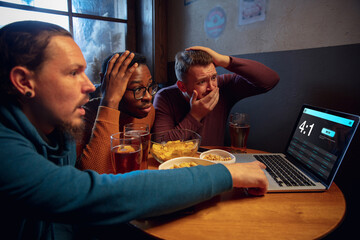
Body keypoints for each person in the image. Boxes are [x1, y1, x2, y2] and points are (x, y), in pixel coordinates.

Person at [0, 21, 268, 239]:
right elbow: (90, 192)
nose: (89, 86)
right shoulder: (6, 151)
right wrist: (224, 173)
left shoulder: (55, 126)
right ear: (24, 82)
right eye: (73, 73)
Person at [152, 46, 280, 146]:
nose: (212, 87)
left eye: (213, 77)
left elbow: (270, 80)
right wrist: (195, 116)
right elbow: (161, 144)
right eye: (201, 82)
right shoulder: (165, 97)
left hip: (215, 163)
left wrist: (225, 61)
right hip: (178, 168)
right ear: (182, 86)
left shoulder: (223, 85)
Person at [76, 51, 156, 173]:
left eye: (150, 86)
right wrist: (110, 101)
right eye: (137, 89)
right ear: (107, 83)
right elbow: (94, 174)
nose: (148, 97)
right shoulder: (83, 116)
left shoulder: (147, 111)